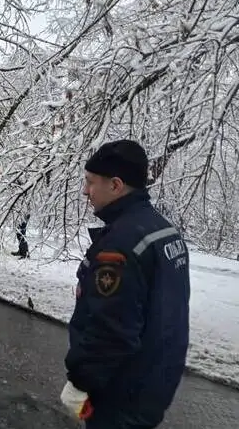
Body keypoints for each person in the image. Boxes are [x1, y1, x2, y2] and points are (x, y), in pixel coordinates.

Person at [61, 139, 190, 428]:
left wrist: (80, 383)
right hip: (153, 382)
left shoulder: (121, 244)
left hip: (121, 391)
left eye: (90, 182)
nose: (85, 191)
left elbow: (112, 329)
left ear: (116, 185)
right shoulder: (164, 231)